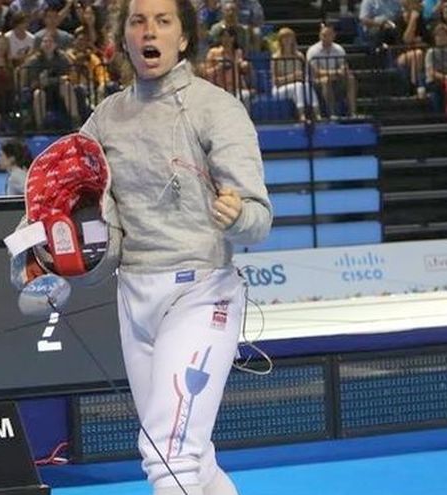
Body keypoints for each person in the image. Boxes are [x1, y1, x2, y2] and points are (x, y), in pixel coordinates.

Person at [73, 0, 272, 493]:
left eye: (163, 21)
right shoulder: (106, 118)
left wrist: (238, 215)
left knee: (169, 453)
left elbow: (258, 219)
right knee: (191, 456)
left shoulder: (215, 108)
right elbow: (65, 196)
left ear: (183, 38)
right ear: (124, 37)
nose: (150, 31)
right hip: (134, 297)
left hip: (201, 293)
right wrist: (41, 260)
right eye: (138, 21)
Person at [307, 23, 357, 117]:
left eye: (328, 35)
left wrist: (342, 70)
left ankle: (353, 112)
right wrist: (335, 72)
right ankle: (332, 114)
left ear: (334, 35)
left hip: (336, 78)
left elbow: (343, 66)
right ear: (319, 35)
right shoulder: (313, 50)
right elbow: (316, 72)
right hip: (317, 82)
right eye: (323, 35)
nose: (325, 37)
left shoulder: (339, 49)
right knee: (326, 81)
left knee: (350, 79)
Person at [271, 27, 321, 122]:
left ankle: (317, 113)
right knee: (298, 86)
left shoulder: (299, 56)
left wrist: (302, 77)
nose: (287, 40)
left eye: (289, 37)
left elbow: (304, 74)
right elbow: (276, 81)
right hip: (280, 89)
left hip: (298, 86)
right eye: (284, 38)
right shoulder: (276, 57)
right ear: (280, 40)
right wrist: (293, 77)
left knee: (307, 85)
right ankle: (301, 114)